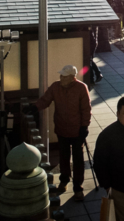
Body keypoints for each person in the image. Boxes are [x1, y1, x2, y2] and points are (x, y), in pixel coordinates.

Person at [35, 65, 91, 201]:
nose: (61, 78)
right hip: (61, 128)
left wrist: (85, 126)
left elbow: (86, 109)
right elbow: (45, 100)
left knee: (78, 159)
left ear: (73, 78)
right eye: (61, 75)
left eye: (64, 76)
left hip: (77, 130)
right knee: (63, 157)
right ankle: (64, 180)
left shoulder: (81, 88)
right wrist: (34, 107)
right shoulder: (55, 86)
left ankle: (78, 187)